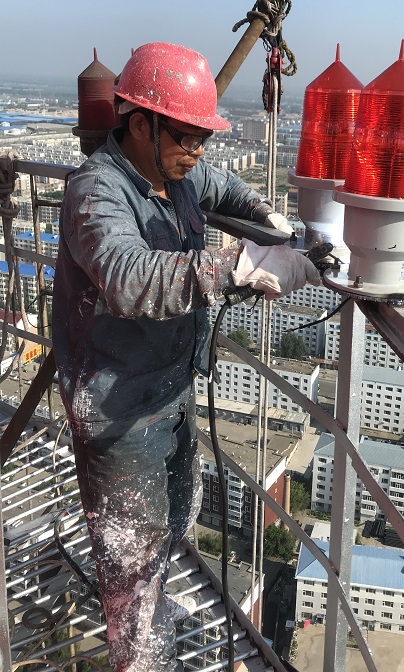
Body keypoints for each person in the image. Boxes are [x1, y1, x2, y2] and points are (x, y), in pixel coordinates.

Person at [52, 42, 320, 672]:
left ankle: (147, 613)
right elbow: (127, 277)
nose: (197, 151)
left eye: (204, 138)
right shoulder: (96, 191)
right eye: (186, 136)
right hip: (117, 409)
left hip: (169, 391)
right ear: (138, 124)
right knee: (131, 556)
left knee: (174, 517)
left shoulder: (176, 175)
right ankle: (137, 650)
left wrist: (267, 219)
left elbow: (224, 187)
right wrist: (238, 266)